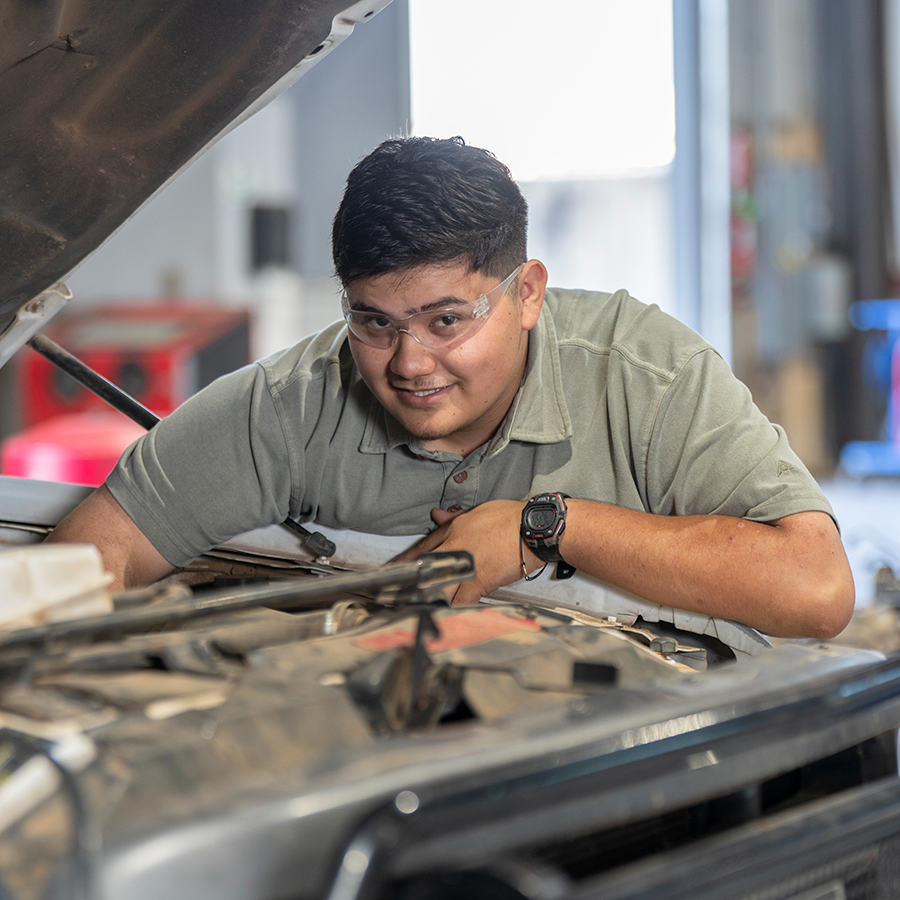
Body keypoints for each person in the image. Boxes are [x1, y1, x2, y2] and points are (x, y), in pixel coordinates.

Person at [47, 136, 855, 639]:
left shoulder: (643, 372)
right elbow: (90, 557)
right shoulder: (291, 403)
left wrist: (542, 526)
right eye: (374, 321)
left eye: (444, 321)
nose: (408, 364)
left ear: (528, 291)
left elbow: (818, 591)